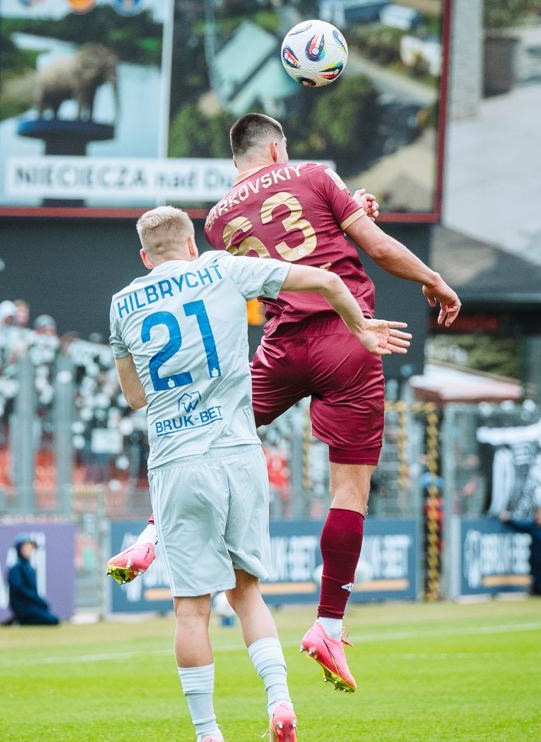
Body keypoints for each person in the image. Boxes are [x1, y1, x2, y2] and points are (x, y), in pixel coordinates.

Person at [109, 113, 460, 693]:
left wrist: (346, 210)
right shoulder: (315, 174)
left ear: (237, 159)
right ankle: (328, 626)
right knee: (349, 491)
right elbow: (371, 247)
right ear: (277, 149)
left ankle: (150, 536)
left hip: (279, 349)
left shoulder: (217, 220)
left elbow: (270, 248)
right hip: (345, 338)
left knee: (204, 432)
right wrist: (432, 279)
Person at [109, 206, 410, 742]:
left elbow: (134, 397)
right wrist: (358, 328)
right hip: (239, 454)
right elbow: (325, 280)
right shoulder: (222, 268)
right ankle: (280, 704)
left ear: (145, 257)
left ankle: (209, 736)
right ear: (191, 245)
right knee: (246, 593)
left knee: (191, 608)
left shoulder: (123, 304)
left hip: (176, 461)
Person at [500, 506, 541, 596]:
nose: (539, 516)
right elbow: (519, 525)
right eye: (538, 514)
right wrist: (508, 520)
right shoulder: (534, 526)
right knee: (537, 587)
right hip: (536, 563)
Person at [5, 533, 60, 626]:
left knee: (51, 616)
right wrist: (38, 599)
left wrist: (40, 601)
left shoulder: (30, 568)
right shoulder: (15, 569)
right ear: (19, 549)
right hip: (22, 606)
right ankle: (19, 620)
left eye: (31, 547)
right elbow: (19, 589)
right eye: (26, 547)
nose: (29, 550)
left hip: (31, 605)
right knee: (52, 620)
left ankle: (18, 619)